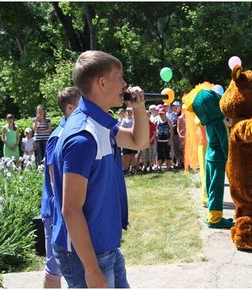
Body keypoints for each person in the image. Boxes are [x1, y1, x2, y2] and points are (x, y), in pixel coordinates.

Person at [51, 50, 149, 288]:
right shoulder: (83, 137)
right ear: (102, 82)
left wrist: (139, 108)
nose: (125, 84)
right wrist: (92, 270)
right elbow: (71, 209)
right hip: (87, 255)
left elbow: (139, 142)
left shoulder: (101, 123)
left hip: (106, 246)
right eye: (120, 77)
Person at [40, 86, 80, 288]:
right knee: (54, 268)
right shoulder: (59, 136)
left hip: (63, 210)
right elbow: (55, 180)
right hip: (56, 212)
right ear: (71, 108)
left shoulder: (71, 131)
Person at [119, 107, 138, 174]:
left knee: (133, 154)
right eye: (127, 111)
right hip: (125, 140)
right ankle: (125, 168)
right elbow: (121, 127)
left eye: (130, 111)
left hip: (132, 139)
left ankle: (132, 168)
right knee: (125, 155)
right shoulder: (124, 120)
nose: (128, 112)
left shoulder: (134, 120)